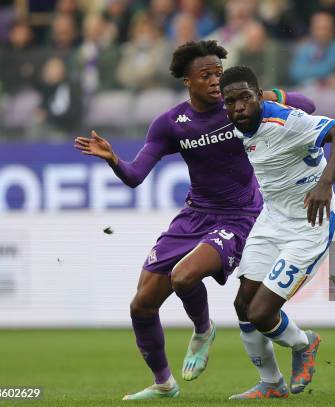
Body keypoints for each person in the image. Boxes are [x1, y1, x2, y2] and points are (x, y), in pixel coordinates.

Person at [73, 40, 315, 400]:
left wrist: (266, 93)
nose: (217, 81)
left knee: (184, 276)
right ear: (187, 80)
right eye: (206, 75)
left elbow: (307, 106)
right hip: (194, 215)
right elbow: (136, 175)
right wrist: (113, 160)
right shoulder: (171, 124)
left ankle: (203, 330)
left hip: (240, 216)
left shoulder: (242, 105)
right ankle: (164, 384)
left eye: (219, 73)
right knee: (141, 304)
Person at [220, 66, 335, 399]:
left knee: (261, 312)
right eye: (232, 101)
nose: (239, 106)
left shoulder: (286, 123)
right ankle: (271, 383)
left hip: (310, 223)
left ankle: (304, 343)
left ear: (257, 96)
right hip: (272, 219)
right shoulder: (234, 124)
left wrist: (325, 184)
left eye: (246, 98)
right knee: (243, 304)